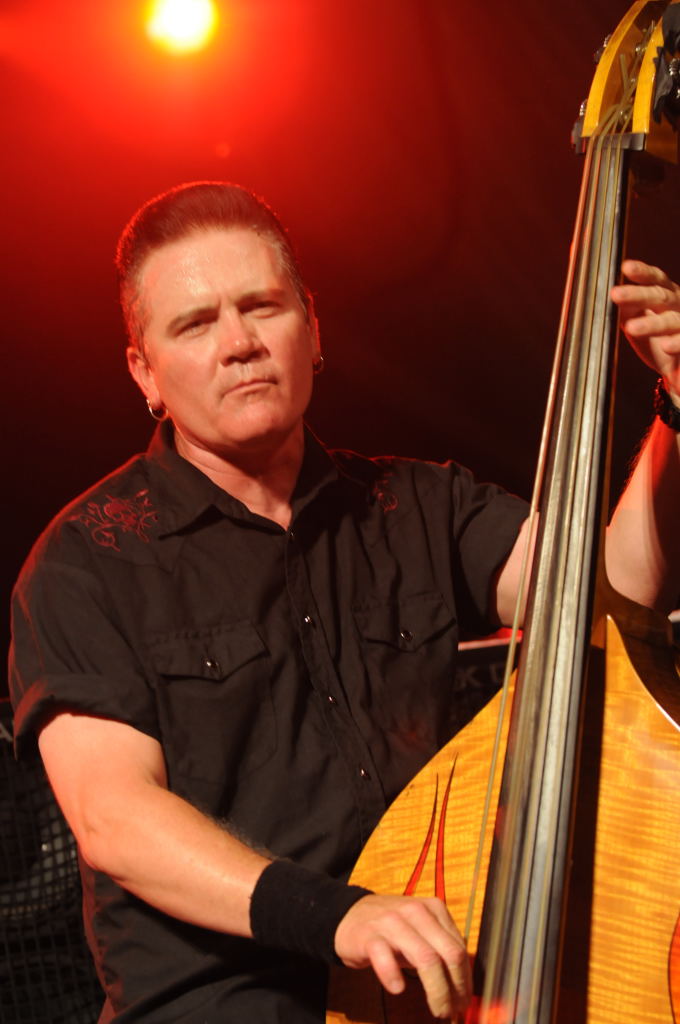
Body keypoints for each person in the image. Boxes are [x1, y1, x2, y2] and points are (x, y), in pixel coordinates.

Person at [8, 182, 680, 1024]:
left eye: (262, 307)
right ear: (145, 371)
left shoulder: (419, 504)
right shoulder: (84, 562)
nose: (240, 343)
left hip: (417, 998)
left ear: (313, 329)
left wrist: (675, 412)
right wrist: (340, 918)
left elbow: (610, 595)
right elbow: (115, 819)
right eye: (196, 324)